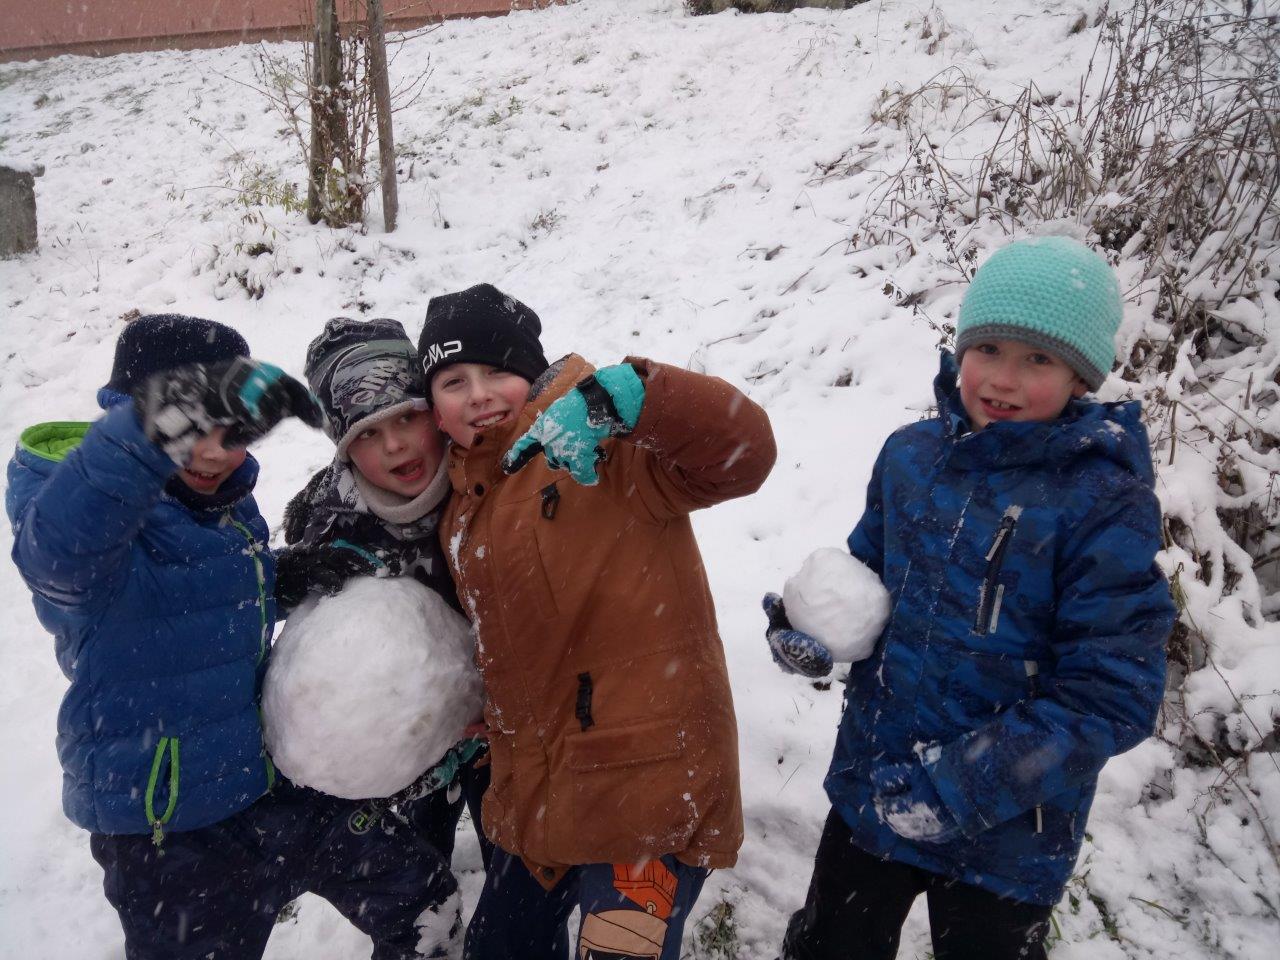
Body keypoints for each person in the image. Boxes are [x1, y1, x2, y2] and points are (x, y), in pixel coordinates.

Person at [766, 237, 1177, 960]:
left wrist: (962, 789)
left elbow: (1113, 691)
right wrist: (813, 630)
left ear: (1079, 377)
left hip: (1011, 830)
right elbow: (866, 582)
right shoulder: (911, 457)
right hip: (877, 785)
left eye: (1038, 359)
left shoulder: (1103, 502)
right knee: (832, 945)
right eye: (987, 349)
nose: (1003, 379)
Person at [6, 314, 461, 960]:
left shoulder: (219, 505)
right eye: (188, 430)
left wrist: (279, 579)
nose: (217, 453)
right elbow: (59, 555)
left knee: (422, 904)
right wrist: (150, 430)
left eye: (233, 432)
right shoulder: (89, 530)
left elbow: (196, 598)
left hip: (268, 787)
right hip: (172, 835)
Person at [417, 283, 777, 960]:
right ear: (435, 408)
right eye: (454, 381)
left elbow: (744, 454)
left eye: (497, 371)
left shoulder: (607, 450)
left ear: (532, 374)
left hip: (648, 796)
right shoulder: (463, 507)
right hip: (542, 794)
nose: (479, 394)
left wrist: (642, 401)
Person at [276, 315, 493, 870]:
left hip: (506, 718)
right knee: (424, 848)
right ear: (344, 448)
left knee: (510, 844)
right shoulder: (332, 522)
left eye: (406, 417)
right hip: (421, 725)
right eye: (366, 434)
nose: (395, 446)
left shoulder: (489, 477)